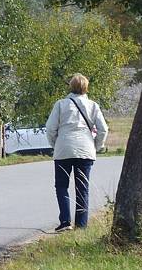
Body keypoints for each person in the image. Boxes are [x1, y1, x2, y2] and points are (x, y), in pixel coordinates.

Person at [45, 73, 108, 232]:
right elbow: (103, 129)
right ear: (86, 88)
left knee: (61, 186)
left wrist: (56, 144)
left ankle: (65, 221)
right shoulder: (93, 105)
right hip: (85, 150)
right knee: (82, 188)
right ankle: (81, 224)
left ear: (71, 86)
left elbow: (50, 128)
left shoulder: (61, 104)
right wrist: (96, 146)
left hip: (64, 149)